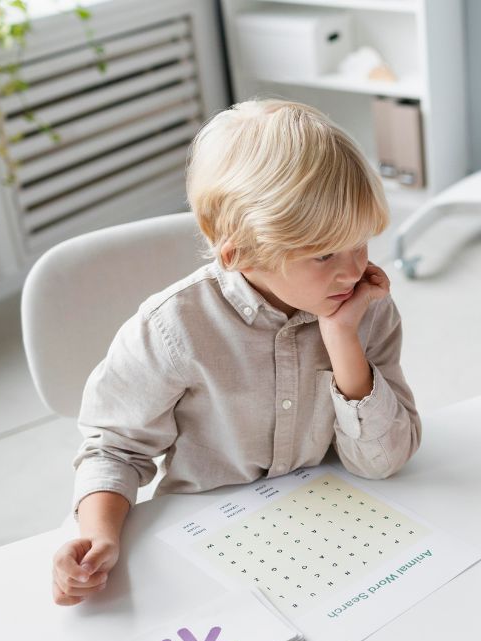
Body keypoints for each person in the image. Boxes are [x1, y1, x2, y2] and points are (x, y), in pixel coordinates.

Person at [51, 99, 421, 607]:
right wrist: (100, 536)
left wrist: (342, 339)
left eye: (360, 242)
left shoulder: (366, 309)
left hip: (328, 526)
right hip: (208, 539)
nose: (354, 270)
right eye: (324, 254)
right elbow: (114, 449)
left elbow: (384, 462)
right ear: (239, 253)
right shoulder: (172, 328)